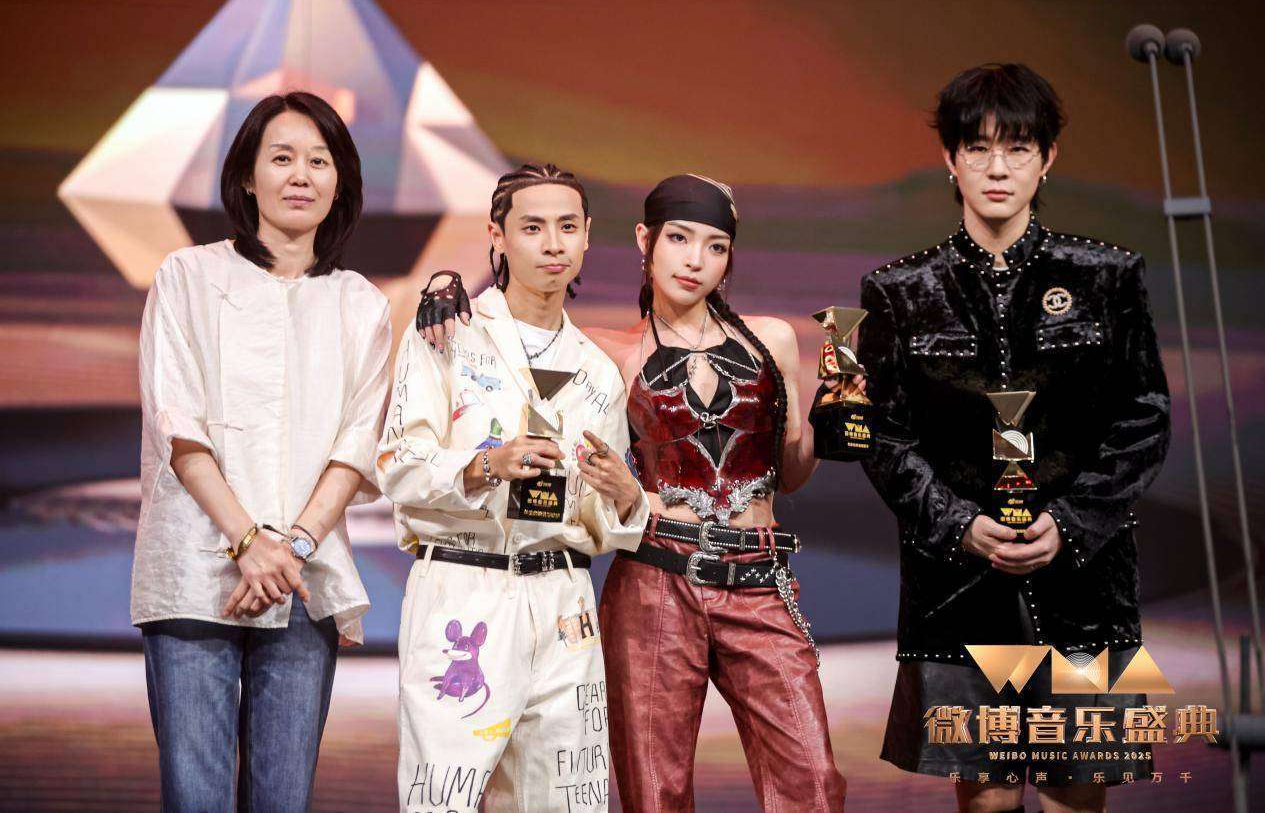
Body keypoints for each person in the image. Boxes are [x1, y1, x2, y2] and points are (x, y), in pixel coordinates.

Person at [416, 174, 852, 812]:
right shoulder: (605, 353)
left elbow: (789, 474)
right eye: (679, 239)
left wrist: (830, 426)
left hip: (758, 577)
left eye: (715, 246)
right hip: (654, 579)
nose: (695, 260)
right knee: (655, 792)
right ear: (645, 240)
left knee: (813, 782)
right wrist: (447, 286)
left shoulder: (772, 340)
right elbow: (522, 331)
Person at [858, 63, 1171, 813]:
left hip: (1086, 585)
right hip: (959, 585)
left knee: (1075, 796)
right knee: (986, 800)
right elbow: (883, 435)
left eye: (1018, 147)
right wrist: (958, 525)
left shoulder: (1107, 277)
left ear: (1047, 157)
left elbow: (1144, 417)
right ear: (950, 158)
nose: (997, 168)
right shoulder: (897, 292)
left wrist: (1071, 523)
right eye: (978, 148)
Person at [133, 91, 391, 811]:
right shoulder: (186, 276)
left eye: (319, 160)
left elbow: (358, 441)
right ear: (248, 176)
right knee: (196, 797)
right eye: (281, 158)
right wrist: (249, 541)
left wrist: (290, 547)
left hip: (302, 583)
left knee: (283, 799)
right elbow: (177, 424)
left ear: (340, 181)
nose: (300, 175)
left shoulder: (361, 303)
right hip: (196, 573)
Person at [377, 163, 649, 813]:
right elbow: (397, 463)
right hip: (464, 590)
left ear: (587, 236)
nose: (552, 243)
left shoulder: (597, 373)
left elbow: (602, 519)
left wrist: (623, 495)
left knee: (567, 804)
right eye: (532, 227)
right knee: (441, 801)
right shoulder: (445, 334)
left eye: (567, 227)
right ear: (496, 237)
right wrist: (486, 465)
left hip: (563, 601)